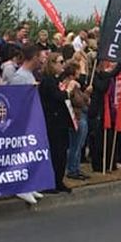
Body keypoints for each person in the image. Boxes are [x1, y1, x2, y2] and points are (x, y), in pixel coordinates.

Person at [6, 45, 45, 204]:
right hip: (21, 122)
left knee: (29, 154)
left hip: (30, 121)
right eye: (40, 56)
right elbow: (14, 100)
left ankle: (28, 184)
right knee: (20, 155)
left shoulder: (28, 75)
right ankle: (20, 187)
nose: (42, 60)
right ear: (34, 57)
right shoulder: (19, 77)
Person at [37, 54, 72, 194]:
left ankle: (59, 181)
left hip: (60, 122)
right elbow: (58, 96)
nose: (62, 65)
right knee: (55, 152)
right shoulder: (48, 81)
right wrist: (68, 91)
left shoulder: (56, 80)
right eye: (60, 62)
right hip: (52, 122)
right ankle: (50, 182)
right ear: (52, 64)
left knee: (62, 153)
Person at [65, 62, 90, 180]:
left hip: (82, 116)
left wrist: (86, 93)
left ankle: (76, 167)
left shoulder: (77, 85)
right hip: (77, 117)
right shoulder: (71, 85)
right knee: (75, 144)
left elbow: (84, 99)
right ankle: (72, 168)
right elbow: (78, 101)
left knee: (79, 144)